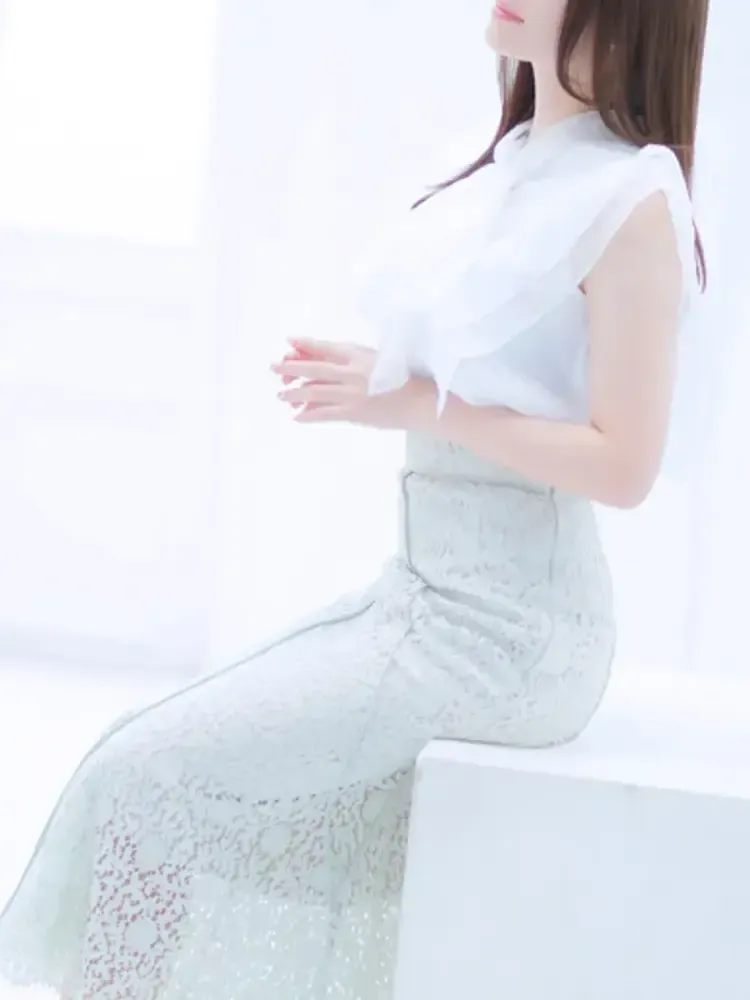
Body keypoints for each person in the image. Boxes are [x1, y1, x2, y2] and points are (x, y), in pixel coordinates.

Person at [0, 0, 708, 997]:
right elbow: (501, 375)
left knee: (146, 774)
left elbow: (624, 463)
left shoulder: (633, 197)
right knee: (134, 757)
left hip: (514, 637)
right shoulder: (512, 168)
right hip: (420, 597)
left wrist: (415, 401)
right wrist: (387, 377)